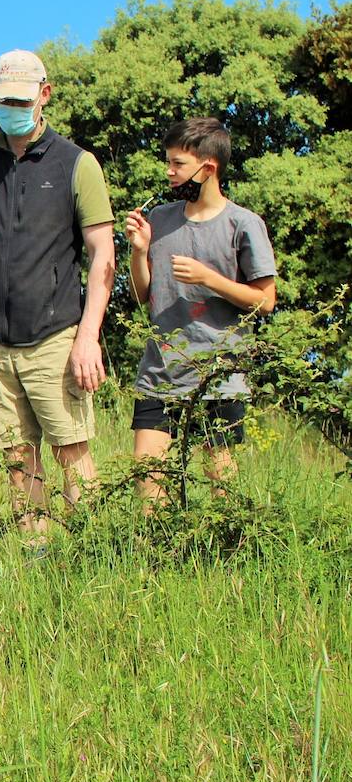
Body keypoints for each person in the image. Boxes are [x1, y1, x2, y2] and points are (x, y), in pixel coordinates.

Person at [0, 50, 116, 539]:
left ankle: (92, 554)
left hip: (57, 338)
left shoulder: (78, 165)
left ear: (44, 95)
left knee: (71, 451)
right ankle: (35, 559)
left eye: (20, 99)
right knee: (18, 461)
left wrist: (88, 337)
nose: (10, 108)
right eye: (1, 101)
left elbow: (104, 255)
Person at [124, 118, 278, 499]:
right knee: (149, 487)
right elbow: (143, 295)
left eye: (177, 164)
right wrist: (139, 250)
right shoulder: (159, 219)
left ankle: (223, 558)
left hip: (219, 378)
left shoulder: (243, 224)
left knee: (220, 493)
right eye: (168, 162)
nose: (169, 172)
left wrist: (210, 279)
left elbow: (266, 299)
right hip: (160, 374)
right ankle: (152, 557)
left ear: (208, 168)